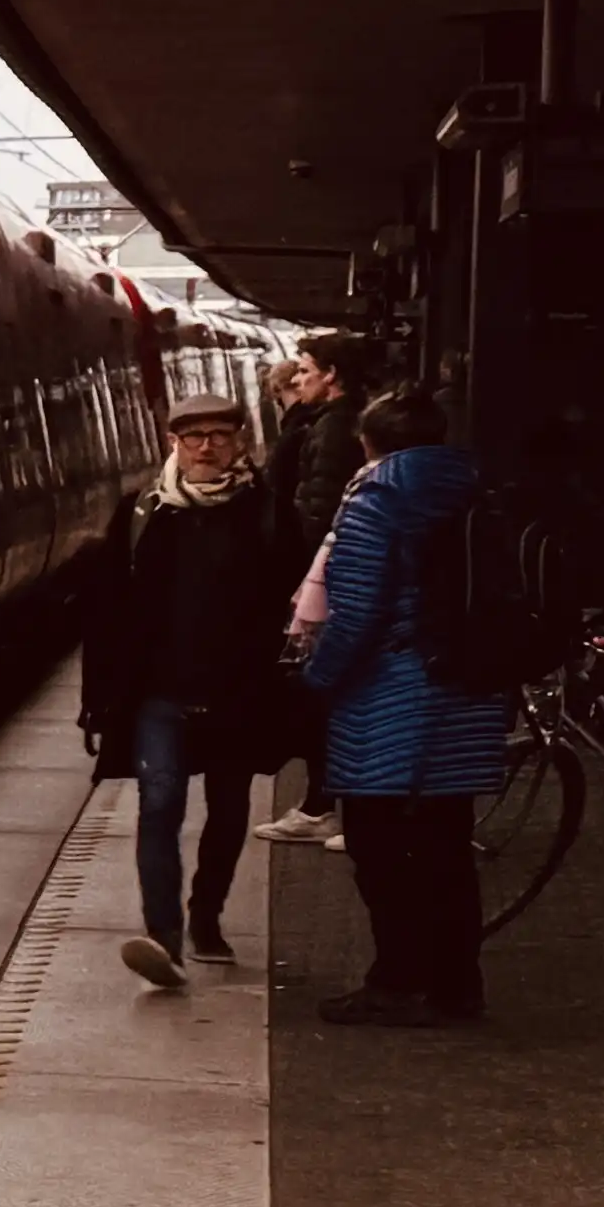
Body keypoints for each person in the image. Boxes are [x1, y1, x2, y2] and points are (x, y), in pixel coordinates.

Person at [292, 382, 508, 1026]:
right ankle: (456, 987)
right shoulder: (474, 490)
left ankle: (398, 981)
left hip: (392, 699)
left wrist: (317, 680)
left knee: (381, 848)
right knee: (445, 844)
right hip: (464, 692)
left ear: (369, 443)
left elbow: (356, 613)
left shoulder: (375, 499)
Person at [79, 388, 288, 990]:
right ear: (173, 443)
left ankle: (207, 917)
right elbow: (106, 611)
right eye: (192, 437)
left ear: (240, 442)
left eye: (219, 436)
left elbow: (291, 598)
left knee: (228, 811)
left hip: (237, 691)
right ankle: (163, 939)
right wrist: (99, 700)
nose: (205, 447)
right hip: (158, 693)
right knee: (160, 804)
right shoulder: (142, 513)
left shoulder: (268, 513)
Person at [255, 342, 372, 847]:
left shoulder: (331, 429)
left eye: (306, 371)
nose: (298, 381)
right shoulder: (329, 423)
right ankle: (331, 803)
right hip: (323, 579)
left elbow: (318, 512)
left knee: (326, 695)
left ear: (332, 375)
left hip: (323, 583)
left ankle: (334, 806)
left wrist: (302, 584)